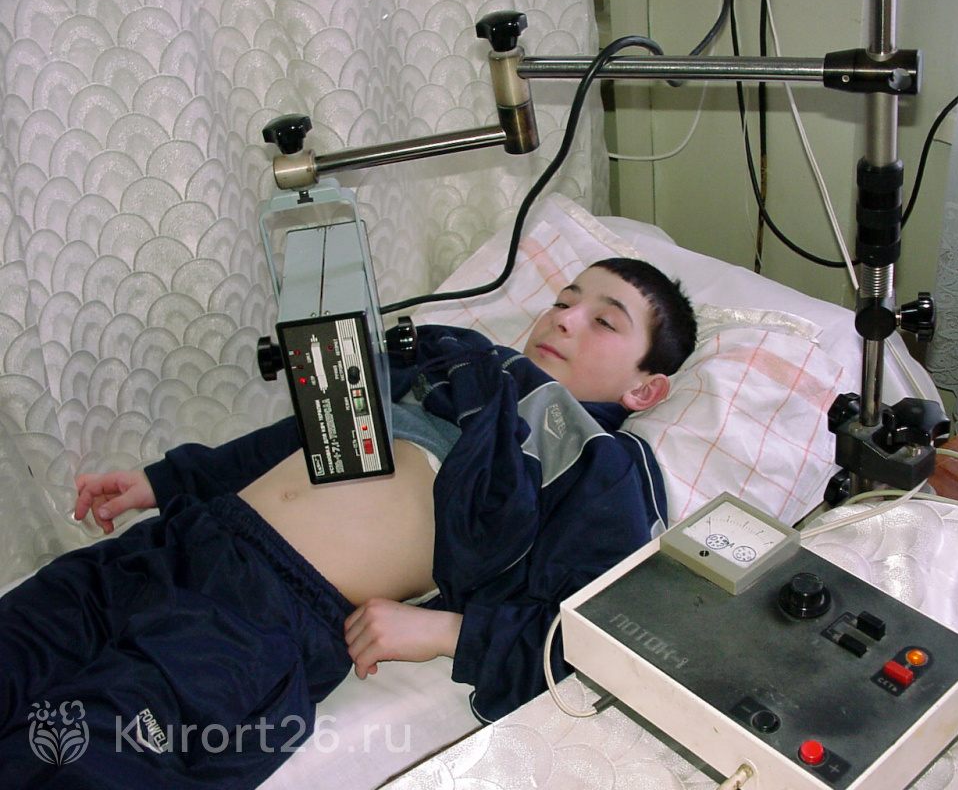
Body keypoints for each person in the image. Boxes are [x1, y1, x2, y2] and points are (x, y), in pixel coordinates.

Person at [0, 257, 697, 789]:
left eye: (605, 321)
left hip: (258, 616)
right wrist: (168, 481)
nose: (565, 319)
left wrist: (446, 633)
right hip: (172, 544)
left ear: (646, 389)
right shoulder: (452, 359)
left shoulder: (601, 463)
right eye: (563, 301)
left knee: (84, 752)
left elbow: (600, 635)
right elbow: (306, 436)